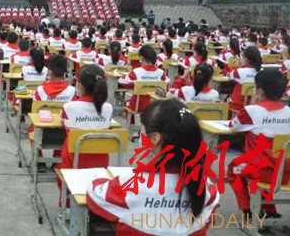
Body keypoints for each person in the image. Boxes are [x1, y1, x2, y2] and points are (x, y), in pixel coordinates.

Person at [86, 98, 219, 234]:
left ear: (154, 139)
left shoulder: (130, 184)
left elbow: (94, 194)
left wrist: (104, 178)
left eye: (142, 131)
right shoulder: (208, 189)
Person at [228, 68, 290, 221]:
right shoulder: (288, 111)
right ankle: (269, 210)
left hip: (261, 172)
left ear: (260, 91)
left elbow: (233, 126)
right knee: (269, 162)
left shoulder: (252, 111)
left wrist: (254, 104)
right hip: (285, 173)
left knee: (234, 169)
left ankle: (247, 210)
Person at [59, 65, 113, 170]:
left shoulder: (69, 107)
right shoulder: (108, 108)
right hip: (101, 166)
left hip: (73, 165)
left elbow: (62, 121)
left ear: (80, 86)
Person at [119, 45, 167, 123]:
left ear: (142, 58)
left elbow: (122, 81)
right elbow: (166, 82)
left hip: (139, 105)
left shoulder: (136, 71)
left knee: (127, 102)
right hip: (155, 104)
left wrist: (125, 76)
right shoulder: (161, 73)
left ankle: (132, 125)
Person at [227, 46, 262, 112]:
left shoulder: (239, 72)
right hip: (256, 106)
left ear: (246, 59)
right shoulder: (262, 73)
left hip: (239, 106)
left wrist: (237, 65)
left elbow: (228, 75)